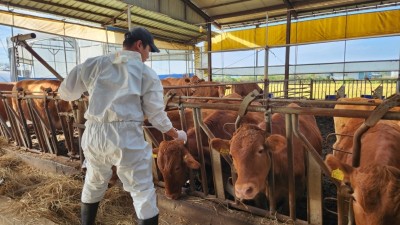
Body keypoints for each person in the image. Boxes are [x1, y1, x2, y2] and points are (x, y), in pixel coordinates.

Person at [58, 27, 187, 225]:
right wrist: (175, 134)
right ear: (139, 45)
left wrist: (94, 93)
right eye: (148, 51)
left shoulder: (93, 63)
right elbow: (155, 115)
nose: (147, 57)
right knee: (141, 191)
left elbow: (66, 92)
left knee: (93, 181)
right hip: (125, 137)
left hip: (93, 132)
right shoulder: (146, 73)